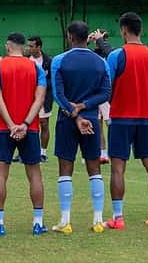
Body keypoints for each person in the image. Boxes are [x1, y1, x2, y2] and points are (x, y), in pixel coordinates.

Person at [104, 13, 148, 230]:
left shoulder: (116, 55)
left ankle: (118, 218)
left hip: (121, 118)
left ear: (123, 30)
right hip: (146, 118)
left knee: (118, 168)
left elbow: (108, 87)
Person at [50, 21, 111, 234]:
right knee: (94, 168)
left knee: (65, 168)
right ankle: (98, 220)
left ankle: (65, 221)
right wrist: (84, 107)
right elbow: (105, 93)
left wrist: (73, 111)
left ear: (70, 36)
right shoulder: (101, 62)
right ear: (87, 37)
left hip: (66, 120)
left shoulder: (59, 60)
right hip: (92, 120)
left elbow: (57, 94)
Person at [0, 32, 48, 236]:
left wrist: (12, 124)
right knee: (35, 173)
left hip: (3, 127)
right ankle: (38, 222)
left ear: (7, 46)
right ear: (24, 47)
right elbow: (39, 99)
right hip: (29, 128)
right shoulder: (36, 68)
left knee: (0, 174)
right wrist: (25, 123)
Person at [89, 29, 113, 164]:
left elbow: (109, 53)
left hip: (107, 93)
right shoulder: (92, 54)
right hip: (94, 92)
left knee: (110, 123)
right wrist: (87, 40)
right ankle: (102, 153)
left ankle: (113, 152)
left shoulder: (111, 52)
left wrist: (101, 40)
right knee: (97, 124)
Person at [27, 36, 52, 163]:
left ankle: (43, 152)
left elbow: (52, 80)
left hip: (43, 97)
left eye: (31, 46)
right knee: (27, 123)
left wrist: (41, 81)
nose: (29, 48)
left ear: (39, 47)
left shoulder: (48, 61)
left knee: (44, 123)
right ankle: (25, 151)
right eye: (28, 46)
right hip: (28, 97)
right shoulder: (26, 60)